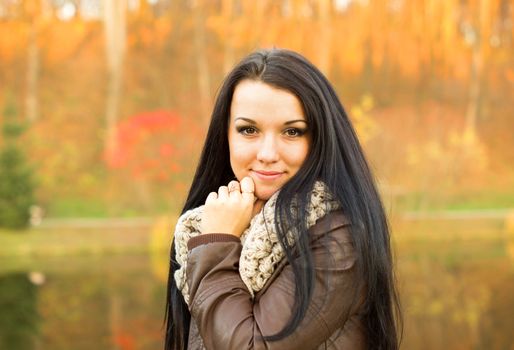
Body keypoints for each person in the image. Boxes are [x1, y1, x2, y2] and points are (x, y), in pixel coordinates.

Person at [165, 48, 401, 350]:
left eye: (292, 132)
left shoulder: (337, 239)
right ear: (225, 136)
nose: (267, 154)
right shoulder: (209, 226)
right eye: (248, 130)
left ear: (319, 138)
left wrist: (216, 244)